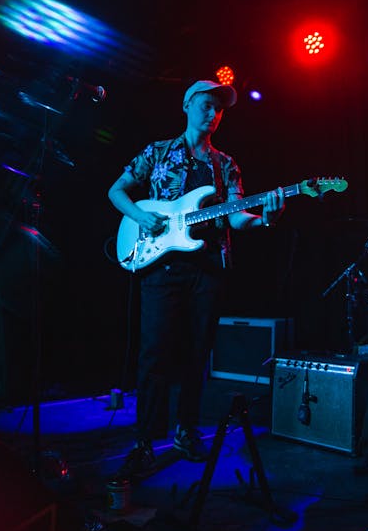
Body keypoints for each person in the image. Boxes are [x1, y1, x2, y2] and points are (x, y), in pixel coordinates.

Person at [107, 79, 285, 479]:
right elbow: (116, 191)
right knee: (154, 354)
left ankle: (186, 431)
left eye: (218, 109)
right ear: (187, 105)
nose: (213, 113)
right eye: (206, 105)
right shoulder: (157, 152)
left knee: (197, 354)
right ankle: (145, 441)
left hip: (207, 269)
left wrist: (266, 218)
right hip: (160, 266)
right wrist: (140, 217)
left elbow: (236, 218)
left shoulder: (226, 165)